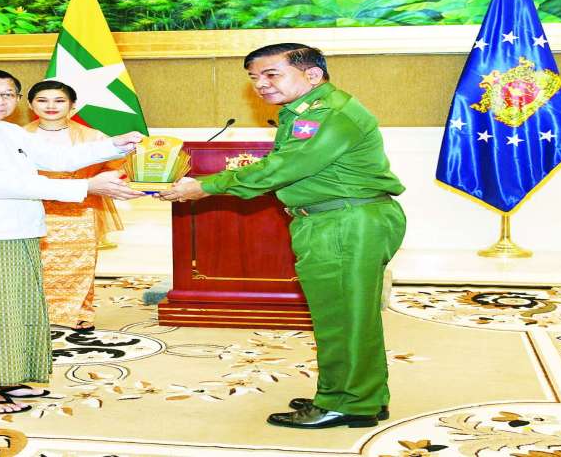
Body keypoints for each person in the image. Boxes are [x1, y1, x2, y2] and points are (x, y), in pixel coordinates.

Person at [159, 44, 406, 429]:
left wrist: (205, 186)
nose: (261, 84)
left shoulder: (327, 114)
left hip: (344, 222)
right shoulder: (303, 111)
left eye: (271, 74)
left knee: (342, 319)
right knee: (350, 315)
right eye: (254, 77)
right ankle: (362, 395)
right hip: (338, 219)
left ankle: (346, 403)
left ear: (312, 75)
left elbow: (283, 167)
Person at [0, 67, 144, 415]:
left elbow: (58, 158)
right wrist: (85, 187)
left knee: (10, 311)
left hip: (14, 231)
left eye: (7, 94)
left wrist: (114, 145)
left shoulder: (7, 130)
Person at [24, 80, 126, 332]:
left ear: (73, 105)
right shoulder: (18, 135)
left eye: (59, 101)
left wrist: (100, 181)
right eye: (42, 100)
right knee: (35, 264)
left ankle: (80, 313)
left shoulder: (93, 136)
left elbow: (119, 166)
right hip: (32, 208)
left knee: (80, 263)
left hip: (81, 210)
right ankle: (37, 313)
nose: (50, 106)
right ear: (30, 105)